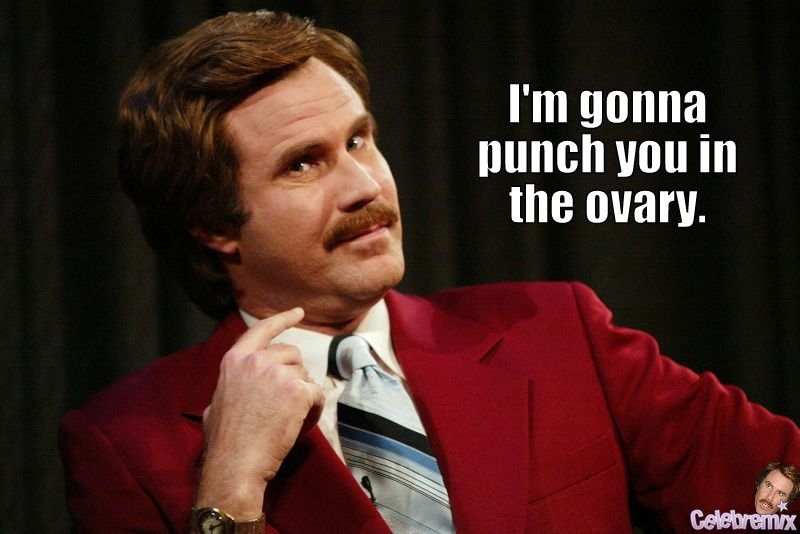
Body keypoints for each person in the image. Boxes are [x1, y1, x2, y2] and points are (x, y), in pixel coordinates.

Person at [59, 10, 800, 533]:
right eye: (303, 164)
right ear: (213, 224)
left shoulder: (559, 333)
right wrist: (228, 491)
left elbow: (776, 499)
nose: (365, 186)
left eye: (360, 140)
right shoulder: (125, 445)